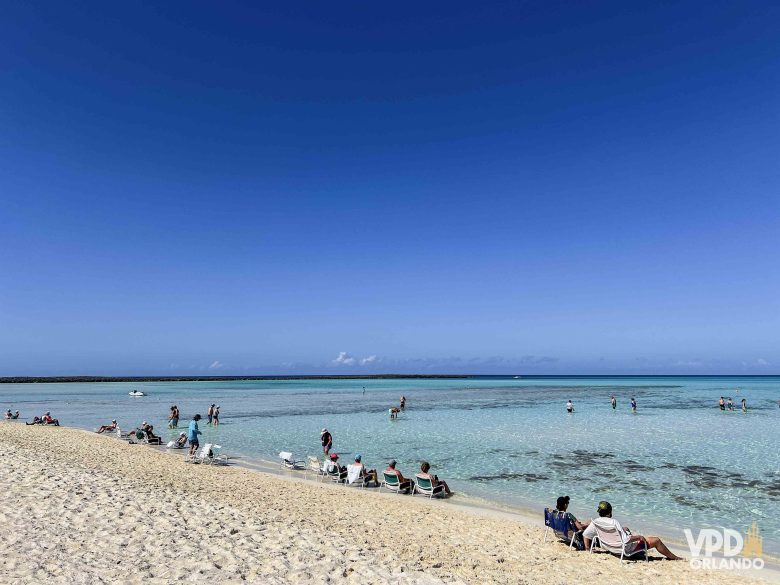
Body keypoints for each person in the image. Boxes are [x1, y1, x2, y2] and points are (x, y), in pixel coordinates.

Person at [582, 501, 681, 560]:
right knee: (656, 540)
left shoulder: (596, 522)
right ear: (610, 511)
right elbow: (625, 540)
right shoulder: (613, 522)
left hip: (609, 547)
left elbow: (586, 534)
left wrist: (587, 548)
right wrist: (638, 537)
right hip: (623, 550)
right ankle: (674, 557)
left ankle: (638, 550)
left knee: (625, 529)